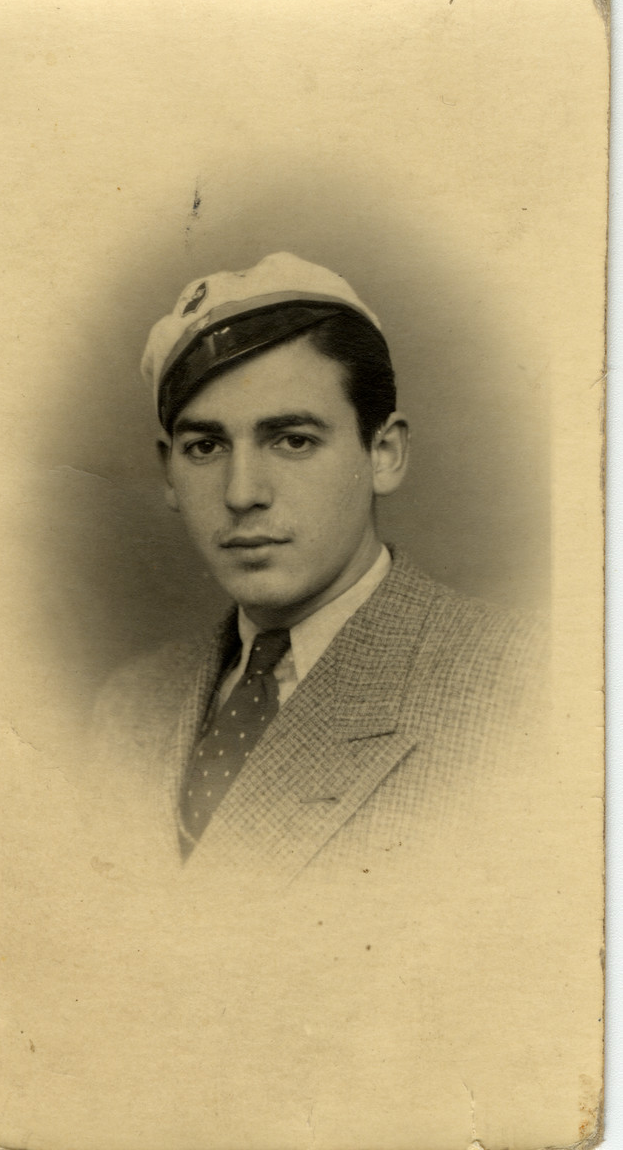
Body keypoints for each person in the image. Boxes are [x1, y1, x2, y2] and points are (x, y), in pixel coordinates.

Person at [91, 251, 546, 894]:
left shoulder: (529, 691)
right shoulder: (127, 708)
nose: (242, 492)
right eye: (205, 447)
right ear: (169, 472)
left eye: (293, 440)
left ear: (383, 454)